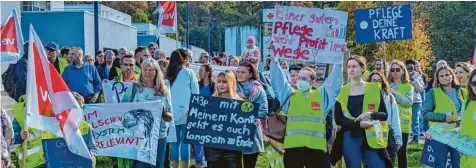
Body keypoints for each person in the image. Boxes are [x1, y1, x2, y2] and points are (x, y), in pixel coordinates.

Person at [270, 53, 343, 167]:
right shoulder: (290, 96)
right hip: (293, 149)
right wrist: (274, 61)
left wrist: (338, 61)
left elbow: (334, 82)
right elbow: (278, 81)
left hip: (315, 150)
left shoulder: (321, 95)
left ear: (312, 81)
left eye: (304, 78)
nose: (300, 80)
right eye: (299, 78)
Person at [333, 56, 392, 168]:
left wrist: (370, 114)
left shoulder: (374, 88)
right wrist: (358, 124)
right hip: (350, 137)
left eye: (354, 66)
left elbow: (384, 115)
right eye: (349, 66)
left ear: (362, 68)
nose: (351, 69)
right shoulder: (343, 90)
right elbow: (338, 119)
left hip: (372, 137)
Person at [12, 92, 98, 168]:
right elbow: (52, 146)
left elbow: (92, 148)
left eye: (75, 108)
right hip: (38, 162)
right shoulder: (56, 124)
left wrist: (91, 156)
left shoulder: (86, 127)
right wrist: (48, 158)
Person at [132, 58, 174, 168]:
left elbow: (170, 117)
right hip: (142, 136)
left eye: (151, 70)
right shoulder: (137, 89)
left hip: (159, 136)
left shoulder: (164, 90)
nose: (148, 73)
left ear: (156, 72)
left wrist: (165, 114)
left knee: (157, 165)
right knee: (141, 166)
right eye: (145, 69)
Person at [422, 65, 462, 168]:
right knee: (440, 164)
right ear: (438, 79)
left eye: (447, 74)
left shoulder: (462, 91)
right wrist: (444, 117)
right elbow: (425, 114)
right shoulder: (432, 92)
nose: (445, 77)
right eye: (442, 76)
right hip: (439, 135)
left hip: (458, 134)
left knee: (458, 164)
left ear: (452, 75)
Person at [166, 49, 199, 168]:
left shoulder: (167, 73)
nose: (189, 59)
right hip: (187, 111)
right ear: (183, 59)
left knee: (175, 143)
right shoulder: (189, 73)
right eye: (188, 57)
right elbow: (196, 93)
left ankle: (174, 166)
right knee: (186, 142)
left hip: (171, 113)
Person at [205, 71, 243, 168]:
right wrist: (193, 116)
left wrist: (252, 122)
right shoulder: (210, 101)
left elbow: (243, 126)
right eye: (219, 81)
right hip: (213, 148)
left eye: (225, 82)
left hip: (232, 149)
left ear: (231, 83)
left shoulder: (240, 104)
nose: (221, 85)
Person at [236, 62, 268, 168]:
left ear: (250, 74)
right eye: (238, 71)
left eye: (243, 72)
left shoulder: (258, 89)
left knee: (249, 165)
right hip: (233, 133)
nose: (239, 74)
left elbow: (263, 112)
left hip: (251, 133)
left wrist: (250, 115)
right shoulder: (230, 88)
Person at [368, 72, 403, 165]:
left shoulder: (389, 97)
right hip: (370, 135)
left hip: (387, 135)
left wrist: (398, 139)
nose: (376, 83)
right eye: (374, 80)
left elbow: (395, 119)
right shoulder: (365, 96)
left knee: (388, 162)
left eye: (379, 81)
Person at [387, 60, 414, 168]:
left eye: (398, 69)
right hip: (388, 124)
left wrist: (394, 93)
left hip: (403, 125)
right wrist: (399, 99)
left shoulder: (408, 87)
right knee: (388, 153)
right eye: (392, 70)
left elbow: (407, 103)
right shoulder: (386, 85)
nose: (395, 72)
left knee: (402, 154)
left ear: (403, 71)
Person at [458, 69, 476, 167]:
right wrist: (437, 133)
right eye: (475, 83)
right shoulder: (468, 103)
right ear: (470, 85)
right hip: (466, 161)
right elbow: (463, 127)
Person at [405, 60, 425, 144]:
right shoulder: (403, 76)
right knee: (406, 119)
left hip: (416, 101)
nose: (409, 69)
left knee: (415, 120)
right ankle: (405, 136)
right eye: (408, 67)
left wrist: (413, 80)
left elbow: (420, 89)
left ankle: (416, 137)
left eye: (411, 67)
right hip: (406, 100)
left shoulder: (418, 76)